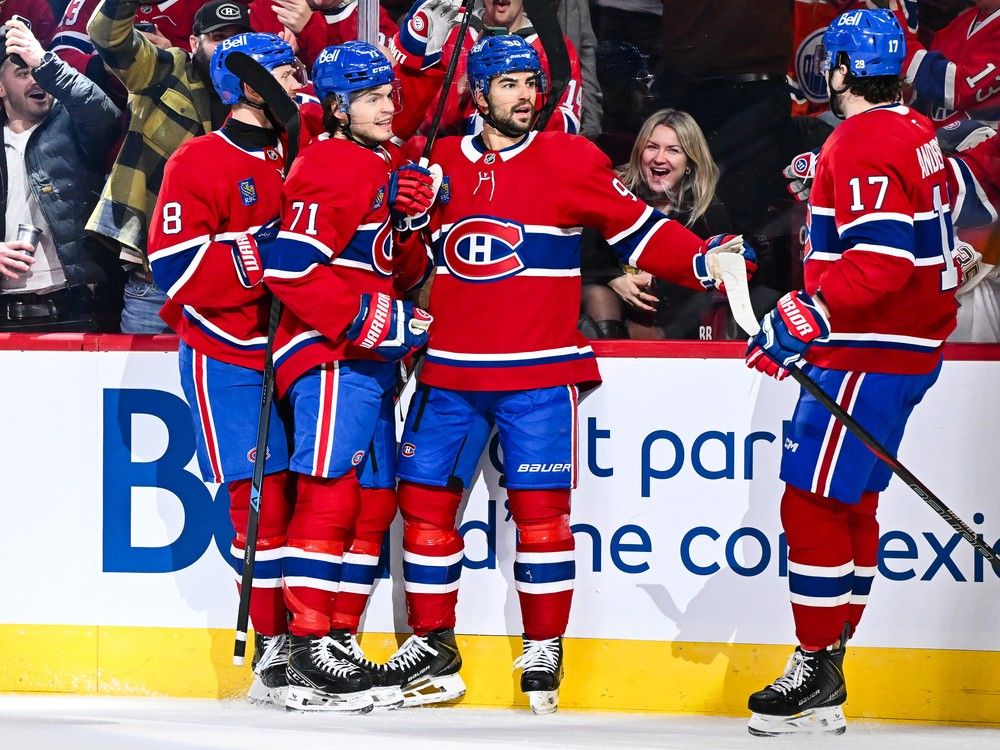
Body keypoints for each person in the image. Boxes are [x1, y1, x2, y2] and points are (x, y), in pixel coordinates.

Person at [383, 34, 755, 714]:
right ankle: (434, 647)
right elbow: (403, 265)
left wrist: (705, 261)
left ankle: (544, 644)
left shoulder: (567, 158)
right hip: (448, 376)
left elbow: (639, 230)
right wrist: (406, 220)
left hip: (537, 376)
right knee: (425, 516)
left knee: (544, 520)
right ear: (477, 93)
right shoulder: (435, 162)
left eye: (532, 82)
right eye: (509, 84)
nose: (526, 95)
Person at [743, 9, 958, 736]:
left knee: (808, 507)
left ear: (839, 71)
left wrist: (807, 315)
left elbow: (882, 264)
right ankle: (829, 669)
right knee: (850, 508)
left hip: (869, 350)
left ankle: (814, 666)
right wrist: (830, 190)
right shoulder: (915, 129)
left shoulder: (862, 138)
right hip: (907, 349)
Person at [260, 41, 436, 713]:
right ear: (337, 107)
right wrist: (374, 323)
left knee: (372, 502)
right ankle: (307, 643)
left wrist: (413, 219)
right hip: (330, 354)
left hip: (369, 360)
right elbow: (292, 268)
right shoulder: (330, 162)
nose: (388, 107)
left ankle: (338, 633)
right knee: (332, 492)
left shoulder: (379, 161)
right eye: (370, 98)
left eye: (390, 95)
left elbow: (397, 264)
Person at [146, 32, 302, 707]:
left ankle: (310, 639)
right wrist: (260, 252)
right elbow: (174, 270)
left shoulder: (302, 149)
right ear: (252, 84)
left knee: (309, 501)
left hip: (297, 348)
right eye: (290, 71)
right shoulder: (198, 160)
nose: (303, 81)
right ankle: (273, 648)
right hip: (225, 350)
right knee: (259, 504)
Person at [87, 0, 253, 334]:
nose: (230, 47)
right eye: (218, 37)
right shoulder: (166, 70)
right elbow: (106, 35)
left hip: (233, 287)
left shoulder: (264, 92)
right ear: (194, 44)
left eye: (238, 37)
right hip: (156, 289)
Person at [0, 17, 122, 332]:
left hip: (77, 307)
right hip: (4, 315)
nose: (36, 79)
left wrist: (44, 62)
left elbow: (105, 114)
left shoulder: (74, 125)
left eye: (37, 70)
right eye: (23, 72)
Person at [581, 108, 733, 339]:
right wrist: (613, 278)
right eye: (652, 147)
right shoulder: (614, 193)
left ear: (689, 161)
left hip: (674, 316)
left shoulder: (707, 211)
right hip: (612, 304)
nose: (659, 158)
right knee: (597, 294)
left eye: (673, 150)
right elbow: (584, 255)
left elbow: (717, 278)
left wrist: (658, 284)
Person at [903, 0, 1000, 127]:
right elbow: (935, 50)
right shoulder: (971, 16)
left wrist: (899, 42)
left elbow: (957, 88)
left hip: (977, 140)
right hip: (934, 133)